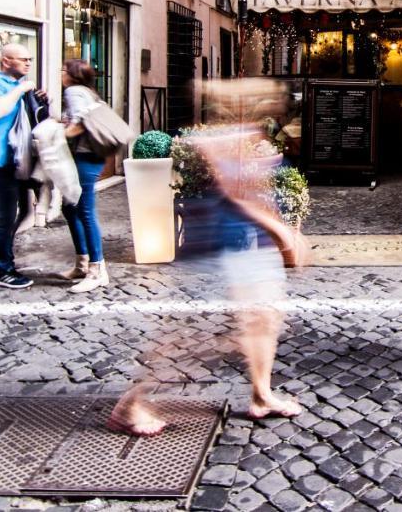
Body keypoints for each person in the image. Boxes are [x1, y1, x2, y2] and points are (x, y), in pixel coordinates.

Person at [108, 79, 309, 436]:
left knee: (265, 320)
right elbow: (238, 196)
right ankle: (132, 404)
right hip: (222, 247)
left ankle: (262, 394)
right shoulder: (220, 142)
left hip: (248, 246)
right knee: (192, 336)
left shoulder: (248, 138)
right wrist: (283, 233)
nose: (272, 107)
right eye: (263, 100)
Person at [0, 43, 47, 289]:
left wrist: (41, 101)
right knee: (7, 217)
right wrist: (20, 90)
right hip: (0, 161)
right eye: (23, 59)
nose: (28, 63)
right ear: (6, 61)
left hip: (19, 161)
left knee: (26, 212)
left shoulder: (17, 87)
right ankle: (2, 269)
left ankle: (4, 255)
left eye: (30, 59)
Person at [59, 60, 109, 293]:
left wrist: (59, 137)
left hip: (85, 155)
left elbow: (81, 122)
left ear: (72, 75)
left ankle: (97, 270)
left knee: (85, 210)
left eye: (62, 70)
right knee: (70, 207)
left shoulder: (73, 91)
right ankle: (82, 263)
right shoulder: (90, 92)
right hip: (92, 155)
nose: (60, 73)